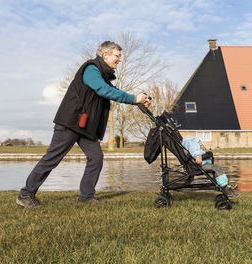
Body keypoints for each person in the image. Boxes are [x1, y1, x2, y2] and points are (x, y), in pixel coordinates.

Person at [16, 41, 151, 208]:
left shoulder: (102, 75)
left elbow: (113, 92)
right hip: (70, 122)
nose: (120, 59)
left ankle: (86, 196)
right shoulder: (91, 69)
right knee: (52, 158)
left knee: (96, 157)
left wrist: (138, 101)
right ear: (105, 55)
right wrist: (133, 98)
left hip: (85, 127)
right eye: (117, 56)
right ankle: (26, 194)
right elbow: (104, 91)